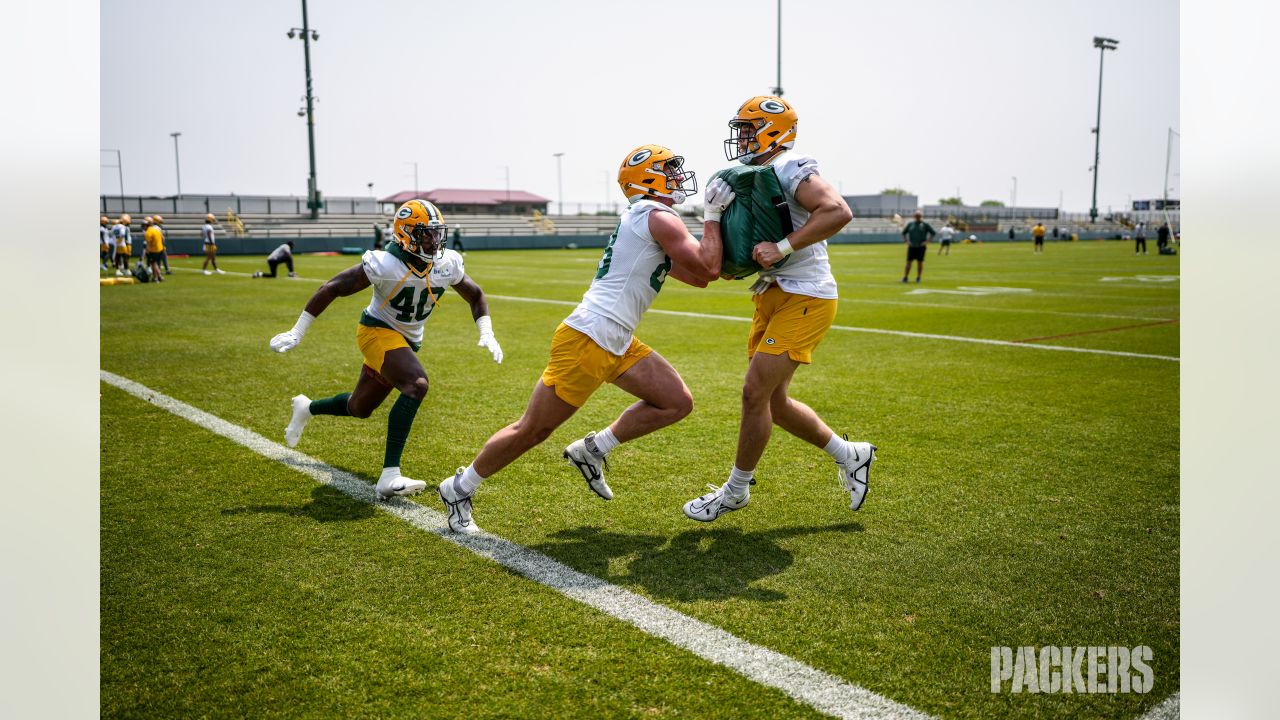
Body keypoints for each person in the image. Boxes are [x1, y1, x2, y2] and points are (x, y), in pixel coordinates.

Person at [436, 144, 726, 535]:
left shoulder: (648, 218)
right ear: (648, 178)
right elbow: (708, 265)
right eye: (669, 170)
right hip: (590, 337)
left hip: (615, 336)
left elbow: (703, 276)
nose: (678, 177)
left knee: (676, 402)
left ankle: (593, 449)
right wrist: (713, 217)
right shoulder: (657, 215)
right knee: (532, 430)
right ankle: (459, 487)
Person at [681, 95, 875, 524]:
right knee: (774, 402)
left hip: (807, 295)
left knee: (754, 392)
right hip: (771, 291)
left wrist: (784, 247)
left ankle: (735, 491)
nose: (741, 138)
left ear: (773, 129)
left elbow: (838, 211)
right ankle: (852, 455)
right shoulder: (758, 172)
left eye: (748, 129)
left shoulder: (792, 164)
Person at [269, 199, 505, 500]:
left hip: (405, 342)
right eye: (426, 234)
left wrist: (487, 332)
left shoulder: (446, 264)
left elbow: (476, 295)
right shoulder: (385, 264)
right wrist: (297, 330)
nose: (434, 241)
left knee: (360, 407)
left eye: (437, 233)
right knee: (416, 384)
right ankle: (389, 475)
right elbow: (332, 287)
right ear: (406, 235)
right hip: (376, 331)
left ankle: (307, 407)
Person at [901, 209, 934, 282]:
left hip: (921, 247)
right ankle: (905, 277)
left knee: (920, 262)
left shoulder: (925, 224)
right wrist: (906, 241)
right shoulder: (910, 224)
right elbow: (903, 233)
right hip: (912, 246)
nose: (917, 217)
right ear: (914, 216)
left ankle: (918, 277)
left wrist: (927, 241)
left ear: (921, 216)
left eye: (919, 216)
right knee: (908, 262)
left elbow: (933, 233)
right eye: (916, 216)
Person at [143, 216, 166, 282]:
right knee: (155, 263)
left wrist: (147, 251)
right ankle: (159, 276)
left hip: (154, 250)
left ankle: (156, 277)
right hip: (160, 249)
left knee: (153, 264)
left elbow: (148, 243)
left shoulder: (148, 232)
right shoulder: (157, 229)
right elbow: (162, 238)